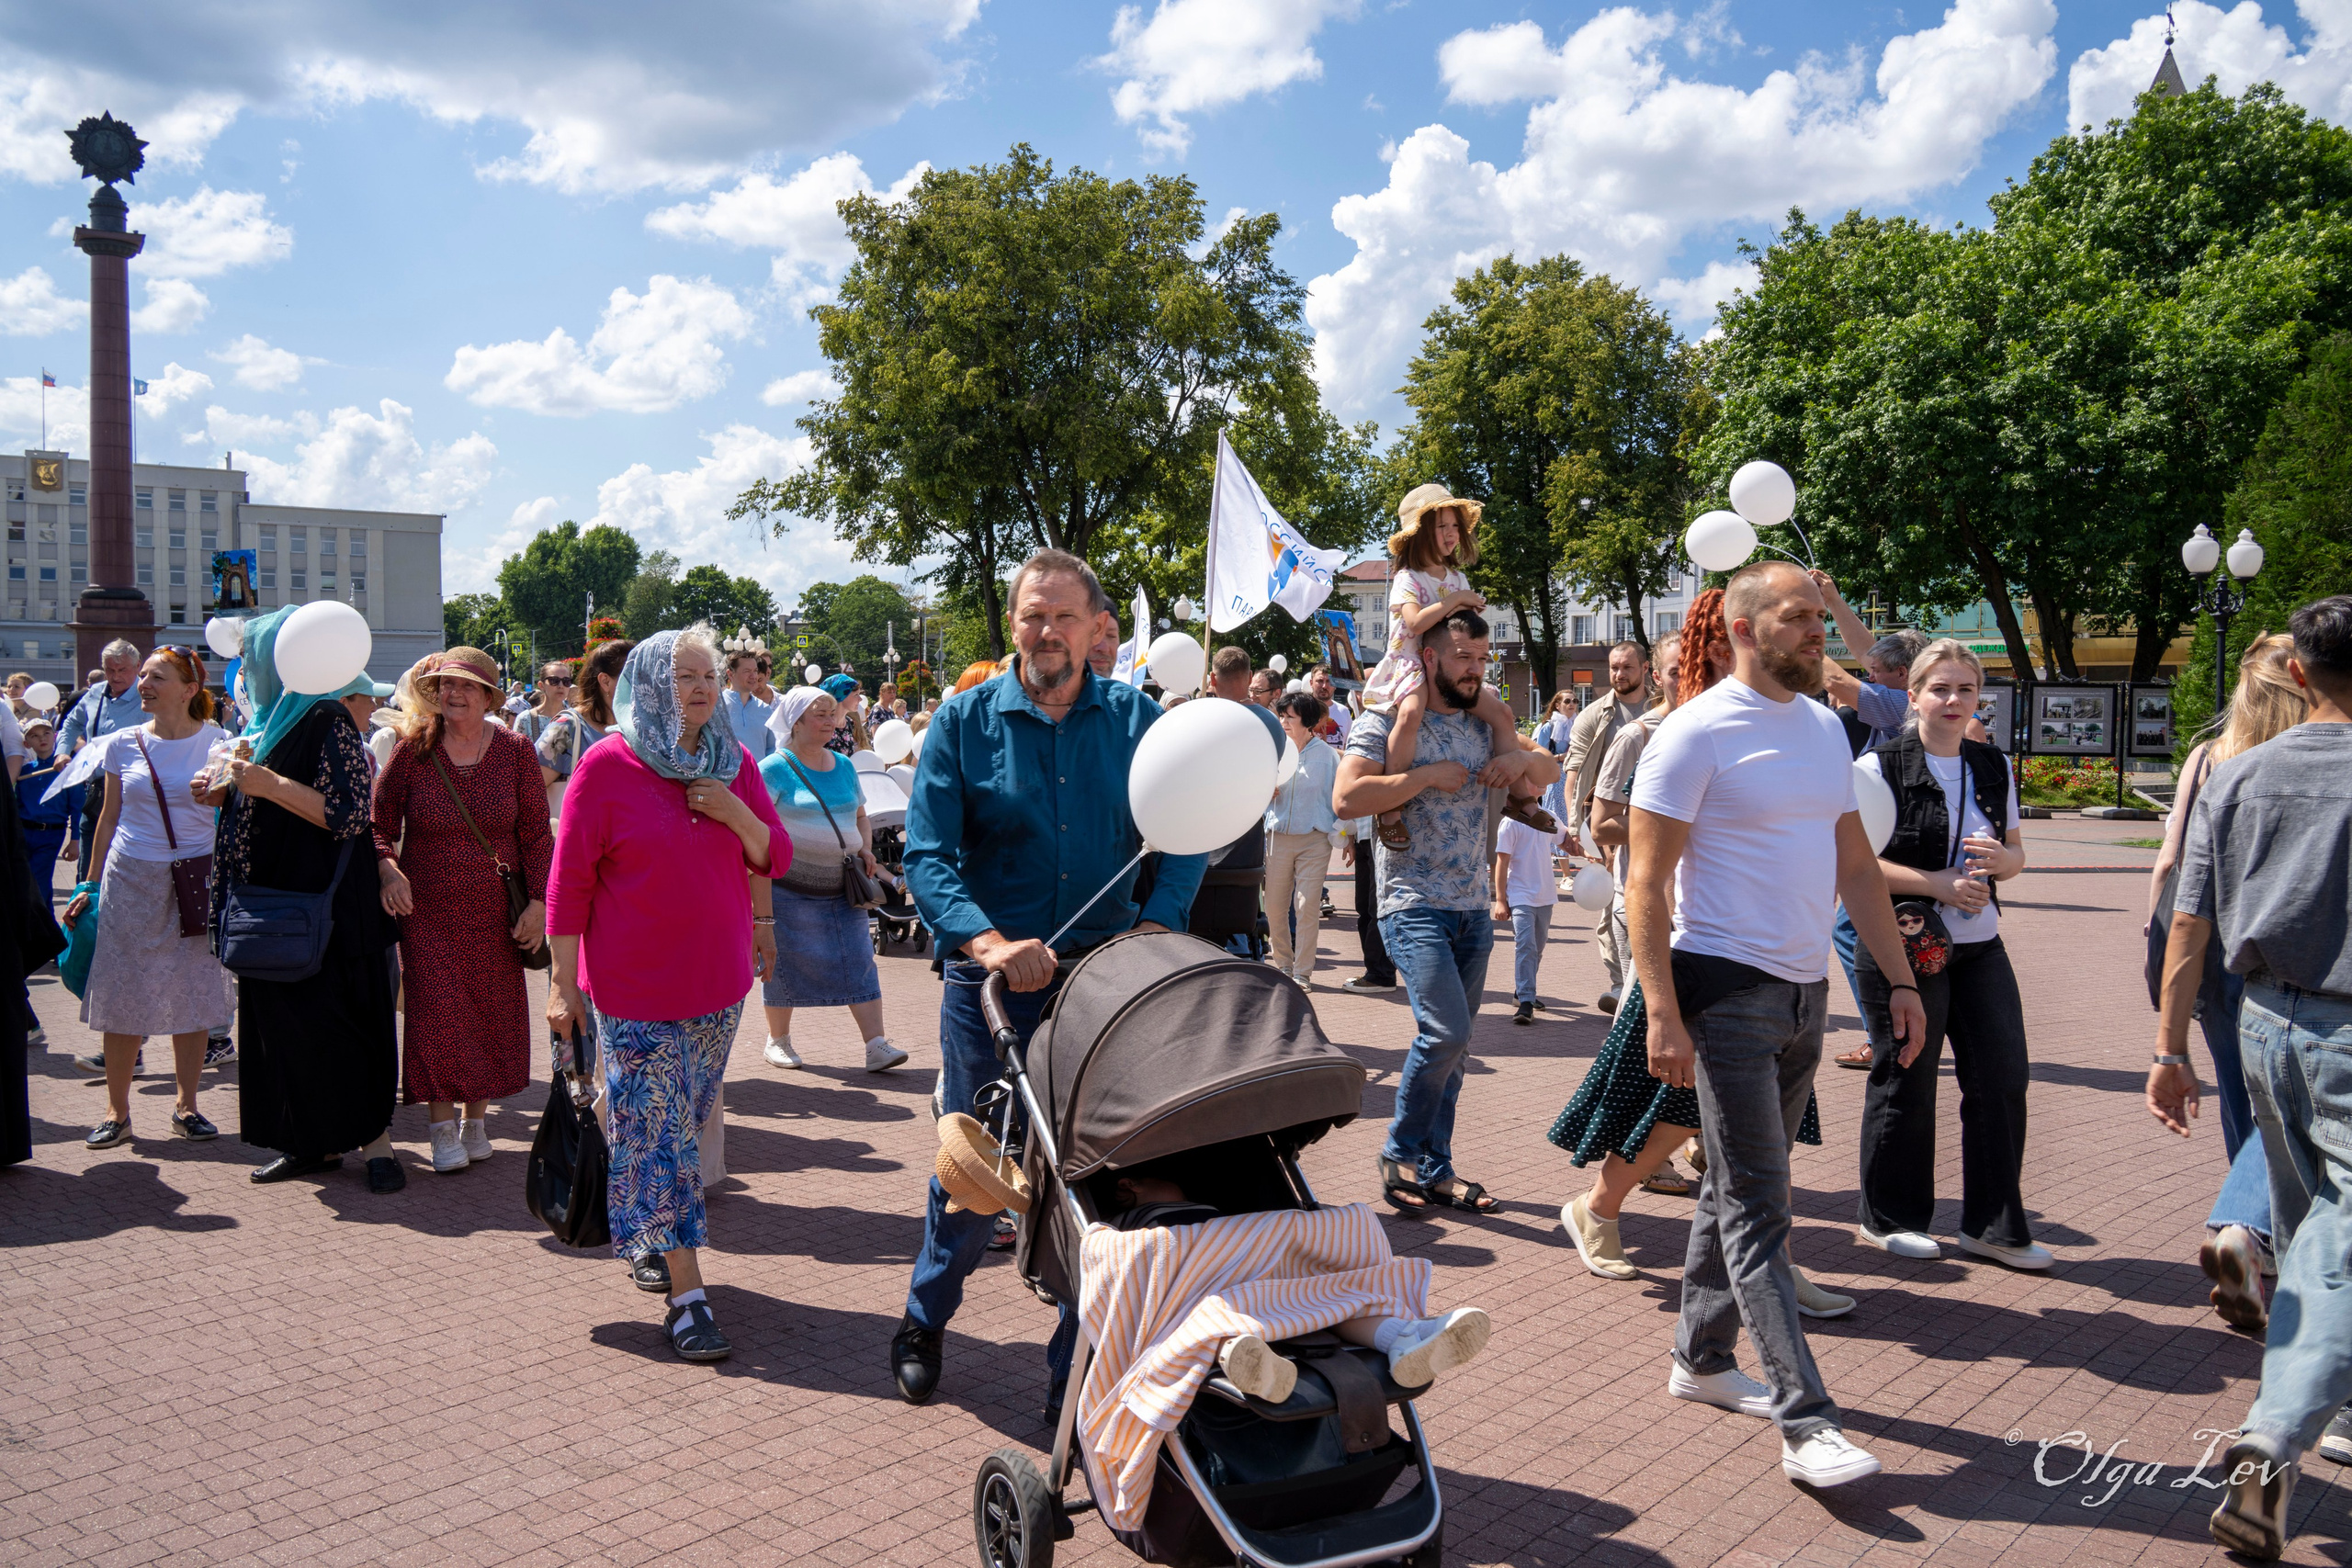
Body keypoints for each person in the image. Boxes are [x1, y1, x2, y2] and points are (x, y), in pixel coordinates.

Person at [1623, 560, 1924, 1489]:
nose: (1816, 633)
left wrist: (1900, 983)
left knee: (1741, 1188)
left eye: (1817, 620)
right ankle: (1806, 1423)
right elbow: (1643, 883)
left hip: (1804, 991)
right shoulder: (1693, 733)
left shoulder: (1824, 730)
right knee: (1761, 1201)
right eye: (1797, 619)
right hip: (1724, 990)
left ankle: (1699, 1360)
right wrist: (1662, 1012)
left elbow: (1855, 867)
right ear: (1745, 629)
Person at [894, 547, 1208, 1408]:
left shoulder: (1140, 720)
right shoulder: (962, 722)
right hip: (993, 991)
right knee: (977, 1172)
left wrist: (1159, 918)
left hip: (1106, 989)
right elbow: (927, 855)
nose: (1045, 631)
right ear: (1014, 624)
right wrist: (987, 942)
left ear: (1096, 627)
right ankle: (926, 1313)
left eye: (1063, 616)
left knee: (1099, 1178)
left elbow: (1186, 834)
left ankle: (1072, 1367)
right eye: (1031, 615)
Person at [2145, 597, 2352, 1560]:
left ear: (2299, 673)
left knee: (2315, 1238)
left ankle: (2297, 1417)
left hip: (2264, 1021)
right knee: (2334, 1245)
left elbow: (2188, 922)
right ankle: (2276, 1437)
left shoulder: (2239, 770)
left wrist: (2167, 1049)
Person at [548, 626, 786, 1363]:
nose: (702, 688)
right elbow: (568, 887)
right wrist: (561, 987)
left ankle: (648, 1226)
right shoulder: (606, 766)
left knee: (677, 1119)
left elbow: (771, 850)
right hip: (631, 986)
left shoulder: (734, 761)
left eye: (709, 675)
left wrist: (734, 814)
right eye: (684, 675)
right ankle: (688, 1296)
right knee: (666, 1133)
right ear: (649, 683)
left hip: (718, 982)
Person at [1335, 607, 1559, 1215]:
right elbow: (1348, 796)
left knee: (1451, 1048)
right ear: (1429, 658)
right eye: (1463, 658)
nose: (1475, 671)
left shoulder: (1486, 722)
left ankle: (1437, 1169)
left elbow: (1549, 768)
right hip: (1411, 902)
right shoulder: (1384, 719)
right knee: (1448, 1032)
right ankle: (1399, 1151)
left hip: (1473, 908)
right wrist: (1424, 775)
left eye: (1483, 661)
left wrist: (1519, 766)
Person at [1849, 641, 2043, 1269]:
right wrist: (1933, 882)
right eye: (1941, 688)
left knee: (2002, 1077)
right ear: (1913, 696)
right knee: (1907, 1076)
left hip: (1980, 944)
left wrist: (2003, 863)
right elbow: (1854, 864)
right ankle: (1890, 1217)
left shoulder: (1993, 766)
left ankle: (1993, 1225)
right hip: (1905, 944)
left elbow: (2016, 854)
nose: (1954, 700)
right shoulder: (1881, 766)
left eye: (1965, 688)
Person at [203, 611, 403, 1190]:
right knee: (285, 1031)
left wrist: (268, 786)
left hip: (328, 913)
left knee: (342, 1025)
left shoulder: (325, 718)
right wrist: (223, 796)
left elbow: (346, 814)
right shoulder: (267, 724)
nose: (245, 669)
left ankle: (377, 1145)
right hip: (271, 908)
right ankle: (307, 1142)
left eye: (252, 657)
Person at [2147, 634, 2303, 1331]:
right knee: (2281, 1106)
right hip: (2275, 953)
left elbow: (2170, 858)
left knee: (2245, 1096)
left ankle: (2255, 1239)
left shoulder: (2211, 757)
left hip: (2200, 941)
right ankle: (2252, 1230)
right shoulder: (2315, 754)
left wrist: (2155, 950)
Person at [372, 647, 552, 1176]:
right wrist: (387, 868)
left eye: (467, 686)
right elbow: (377, 824)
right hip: (425, 906)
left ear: (490, 697)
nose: (454, 694)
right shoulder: (413, 750)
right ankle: (440, 1127)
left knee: (492, 1012)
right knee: (436, 1012)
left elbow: (537, 837)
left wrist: (540, 904)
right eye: (446, 686)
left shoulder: (517, 751)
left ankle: (477, 1123)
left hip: (500, 909)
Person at [67, 647, 232, 1151]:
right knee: (123, 993)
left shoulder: (220, 741)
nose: (143, 683)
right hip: (131, 879)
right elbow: (109, 817)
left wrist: (220, 794)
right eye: (141, 676)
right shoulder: (122, 742)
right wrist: (88, 884)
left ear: (188, 689)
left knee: (194, 989)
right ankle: (117, 1113)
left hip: (194, 877)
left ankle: (187, 1107)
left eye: (155, 677)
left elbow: (231, 811)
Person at [1357, 486, 1553, 852]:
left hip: (1447, 666)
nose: (1451, 534)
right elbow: (1414, 624)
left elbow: (1460, 627)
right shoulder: (1409, 578)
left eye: (1456, 527)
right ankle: (1390, 809)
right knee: (1411, 713)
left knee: (1504, 713)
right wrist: (1457, 600)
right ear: (1419, 532)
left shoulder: (1455, 578)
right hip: (1413, 663)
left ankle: (1521, 798)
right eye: (1442, 526)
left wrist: (1466, 612)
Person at [757, 686, 904, 1072]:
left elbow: (859, 816)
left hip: (844, 886)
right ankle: (778, 1040)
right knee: (784, 963)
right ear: (796, 722)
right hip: (788, 889)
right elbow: (756, 829)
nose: (830, 721)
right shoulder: (773, 768)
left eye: (831, 713)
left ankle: (876, 1045)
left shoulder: (843, 765)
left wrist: (866, 848)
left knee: (859, 959)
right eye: (819, 714)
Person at [1822, 611, 1931, 1069]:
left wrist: (1791, 629)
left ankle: (1882, 1035)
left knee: (1849, 929)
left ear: (1901, 675)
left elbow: (1832, 676)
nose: (1866, 677)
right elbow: (1866, 653)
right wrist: (1830, 599)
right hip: (1895, 836)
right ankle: (1904, 1027)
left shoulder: (1895, 702)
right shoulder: (1904, 698)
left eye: (1875, 673)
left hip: (1886, 844)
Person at [1563, 639, 1653, 1011]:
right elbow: (1574, 772)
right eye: (1614, 668)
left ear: (1645, 669)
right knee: (1612, 903)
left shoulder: (1664, 709)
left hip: (1652, 812)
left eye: (1627, 668)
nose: (1618, 675)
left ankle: (1647, 982)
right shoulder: (1595, 715)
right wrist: (1573, 826)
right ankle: (1620, 984)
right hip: (1605, 818)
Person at [1263, 691, 1340, 987]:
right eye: (1281, 715)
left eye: (1289, 717)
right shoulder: (1274, 751)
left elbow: (1338, 797)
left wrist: (1344, 834)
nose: (1283, 721)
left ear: (1307, 722)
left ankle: (1302, 973)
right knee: (1274, 906)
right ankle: (1282, 965)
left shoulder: (1327, 756)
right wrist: (1264, 791)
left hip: (1314, 840)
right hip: (1278, 837)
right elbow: (1253, 793)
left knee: (1307, 906)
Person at [59, 639, 143, 882]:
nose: (115, 676)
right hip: (95, 793)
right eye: (110, 670)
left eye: (122, 670)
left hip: (133, 797)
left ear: (138, 666)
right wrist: (63, 751)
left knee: (123, 874)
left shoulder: (149, 695)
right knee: (87, 874)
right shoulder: (95, 692)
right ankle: (85, 915)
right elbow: (72, 723)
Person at [1492, 790, 1566, 1026]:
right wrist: (1501, 900)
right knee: (1525, 945)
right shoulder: (1509, 823)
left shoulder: (1548, 817)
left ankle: (1522, 991)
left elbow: (1566, 840)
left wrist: (1588, 852)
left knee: (1538, 947)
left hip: (1546, 896)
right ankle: (1525, 1000)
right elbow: (1501, 863)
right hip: (1520, 896)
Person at [538, 637, 632, 815]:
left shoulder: (633, 728)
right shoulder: (566, 727)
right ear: (605, 681)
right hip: (576, 839)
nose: (643, 686)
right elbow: (528, 790)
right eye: (633, 677)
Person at [17, 718, 79, 906]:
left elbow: (77, 807)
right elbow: (17, 805)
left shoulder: (67, 770)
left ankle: (39, 927)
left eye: (46, 733)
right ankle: (46, 924)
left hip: (51, 833)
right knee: (26, 881)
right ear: (27, 744)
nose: (41, 739)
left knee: (37, 881)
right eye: (34, 736)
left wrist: (75, 840)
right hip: (24, 833)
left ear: (55, 737)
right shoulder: (23, 772)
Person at [723, 649, 776, 762]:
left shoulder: (765, 709)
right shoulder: (717, 706)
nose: (753, 676)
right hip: (726, 779)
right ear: (730, 674)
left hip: (758, 778)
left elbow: (772, 749)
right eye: (747, 671)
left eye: (755, 670)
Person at [513, 661, 571, 746]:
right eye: (554, 680)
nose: (561, 685)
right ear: (541, 685)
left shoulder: (576, 718)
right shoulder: (526, 719)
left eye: (566, 681)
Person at [1306, 665, 1352, 747]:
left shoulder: (1344, 712)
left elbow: (1348, 748)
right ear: (1311, 683)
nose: (1324, 686)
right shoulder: (1302, 710)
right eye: (1320, 681)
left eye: (1329, 681)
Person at [821, 674, 869, 755]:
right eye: (856, 695)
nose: (860, 699)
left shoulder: (850, 723)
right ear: (842, 696)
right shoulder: (823, 724)